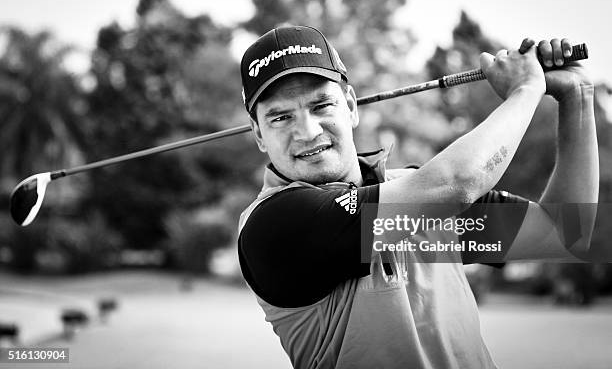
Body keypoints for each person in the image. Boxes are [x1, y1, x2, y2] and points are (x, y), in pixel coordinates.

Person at [237, 25, 598, 368]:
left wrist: (576, 97)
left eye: (321, 105)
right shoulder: (272, 225)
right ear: (258, 134)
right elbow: (458, 182)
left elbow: (568, 233)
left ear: (350, 105)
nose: (307, 130)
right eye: (281, 118)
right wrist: (525, 90)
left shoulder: (416, 192)